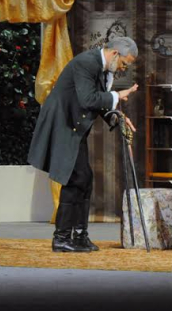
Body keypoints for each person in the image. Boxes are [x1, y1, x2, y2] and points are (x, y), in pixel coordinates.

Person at [28, 37, 139, 252]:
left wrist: (117, 117)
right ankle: (61, 238)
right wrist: (117, 95)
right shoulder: (86, 63)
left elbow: (99, 103)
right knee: (76, 178)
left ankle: (79, 236)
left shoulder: (103, 69)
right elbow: (88, 99)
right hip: (62, 124)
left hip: (74, 127)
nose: (123, 68)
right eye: (124, 63)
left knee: (84, 178)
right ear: (115, 53)